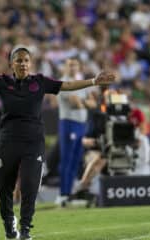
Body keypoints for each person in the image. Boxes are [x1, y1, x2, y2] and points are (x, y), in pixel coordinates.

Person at [0, 45, 115, 240]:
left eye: (26, 60)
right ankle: (9, 224)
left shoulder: (40, 82)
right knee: (4, 187)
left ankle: (25, 229)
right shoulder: (2, 82)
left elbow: (66, 85)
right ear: (11, 64)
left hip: (33, 142)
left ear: (30, 63)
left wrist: (93, 81)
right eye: (19, 60)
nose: (23, 64)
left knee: (30, 186)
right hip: (8, 141)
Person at [56, 58, 89, 206]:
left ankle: (70, 193)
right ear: (65, 67)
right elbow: (75, 103)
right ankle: (63, 194)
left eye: (75, 64)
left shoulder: (81, 83)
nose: (72, 67)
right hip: (69, 123)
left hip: (82, 124)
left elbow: (93, 102)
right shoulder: (63, 83)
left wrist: (83, 102)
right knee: (67, 159)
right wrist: (85, 103)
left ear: (79, 66)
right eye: (69, 65)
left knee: (76, 160)